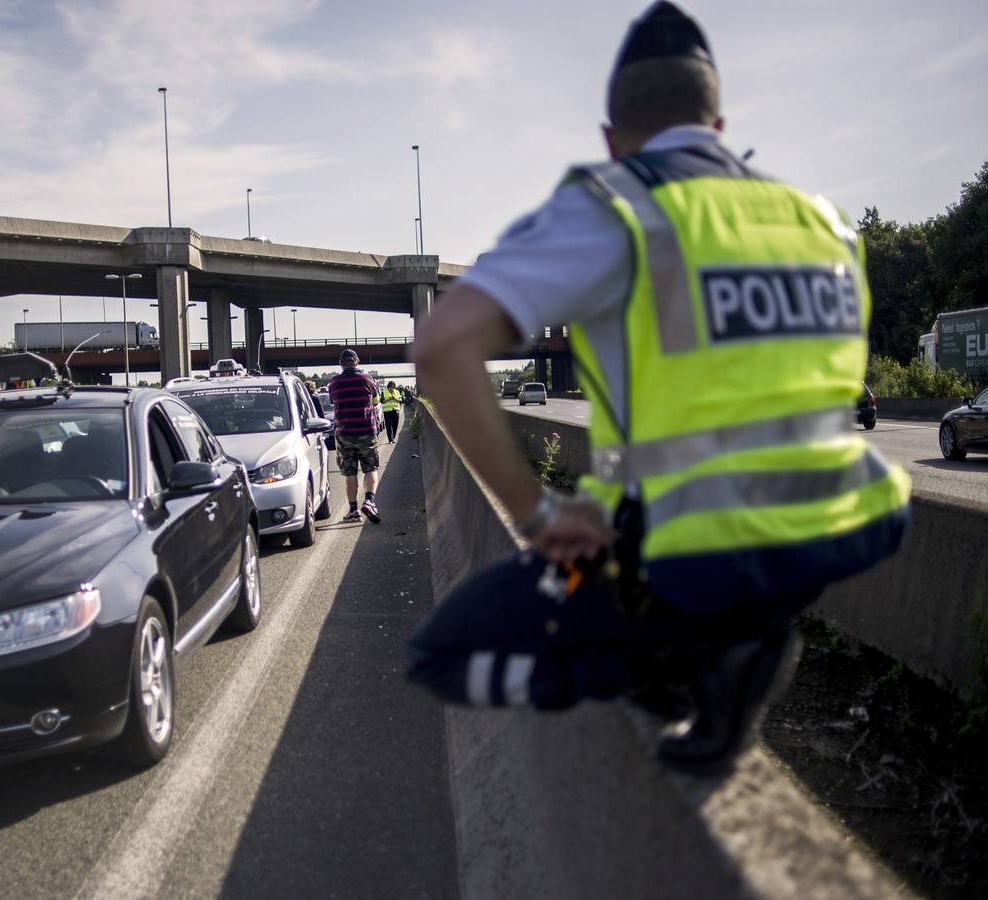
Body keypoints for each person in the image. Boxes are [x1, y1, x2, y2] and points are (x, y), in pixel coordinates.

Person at [406, 1, 910, 773]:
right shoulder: (823, 224)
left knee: (443, 652)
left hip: (685, 557)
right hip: (832, 537)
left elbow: (442, 346)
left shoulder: (622, 207)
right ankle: (729, 644)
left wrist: (539, 514)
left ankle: (666, 660)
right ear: (719, 124)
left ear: (612, 138)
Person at [327, 348, 382, 524]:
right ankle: (369, 501)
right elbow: (375, 402)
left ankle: (353, 510)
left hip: (344, 434)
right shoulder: (368, 380)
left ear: (341, 364)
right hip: (367, 431)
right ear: (357, 362)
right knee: (370, 468)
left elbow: (333, 402)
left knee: (350, 473)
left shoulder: (334, 383)